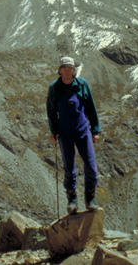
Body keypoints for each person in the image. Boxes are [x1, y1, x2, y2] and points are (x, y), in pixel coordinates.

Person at [46, 56, 100, 214]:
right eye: (64, 69)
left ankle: (90, 197)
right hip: (64, 133)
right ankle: (72, 200)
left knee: (90, 165)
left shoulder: (82, 84)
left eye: (70, 69)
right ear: (60, 71)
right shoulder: (54, 88)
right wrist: (53, 131)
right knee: (69, 167)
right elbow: (51, 112)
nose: (67, 72)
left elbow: (91, 107)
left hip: (82, 130)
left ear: (74, 70)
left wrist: (95, 130)